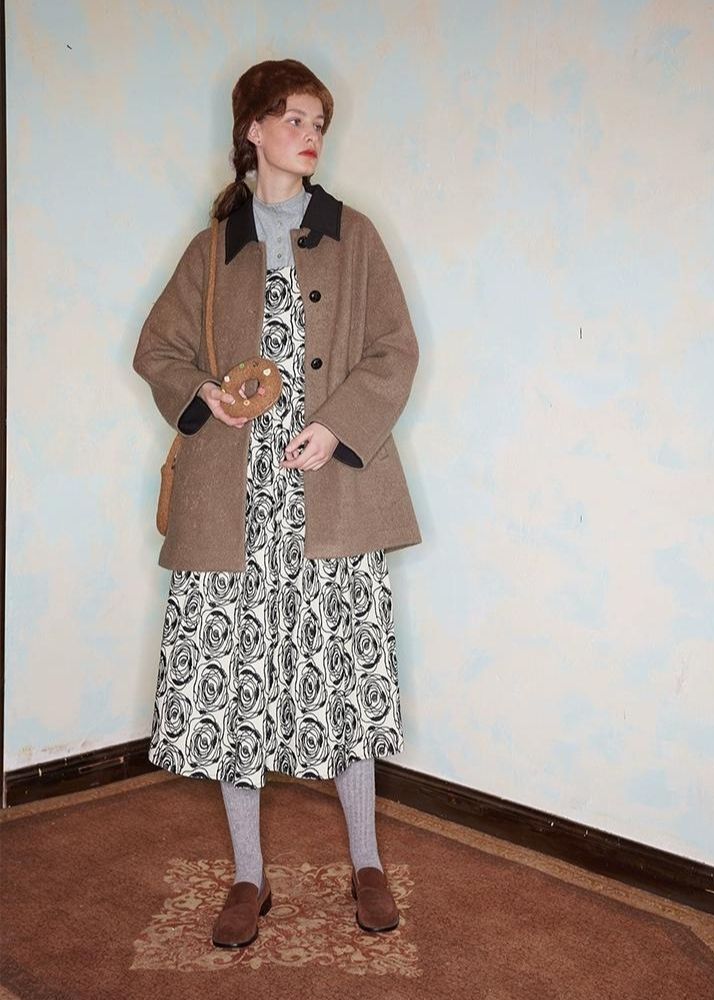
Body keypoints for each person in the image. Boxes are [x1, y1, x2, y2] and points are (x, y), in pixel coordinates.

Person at [132, 57, 422, 949]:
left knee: (339, 677)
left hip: (330, 495)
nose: (310, 134)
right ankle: (249, 877)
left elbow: (394, 350)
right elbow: (158, 349)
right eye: (293, 118)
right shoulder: (213, 249)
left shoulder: (354, 235)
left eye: (318, 122)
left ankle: (367, 862)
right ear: (252, 130)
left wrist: (335, 428)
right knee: (234, 684)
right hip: (235, 506)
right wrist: (203, 394)